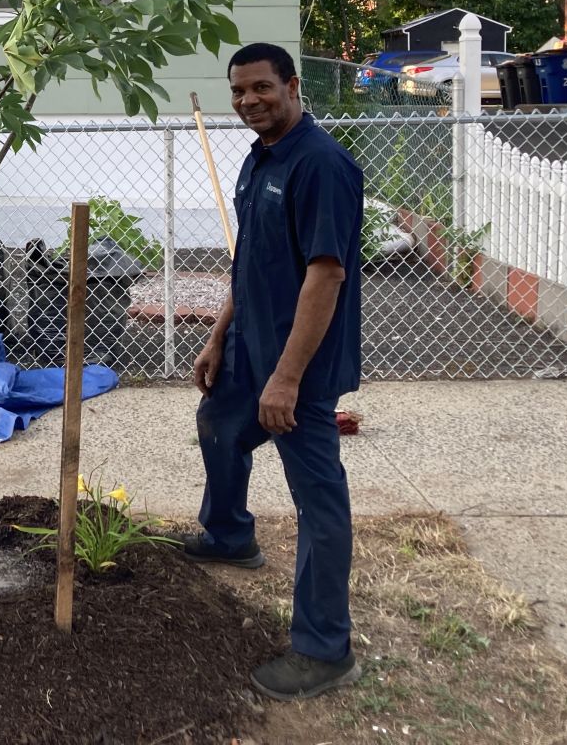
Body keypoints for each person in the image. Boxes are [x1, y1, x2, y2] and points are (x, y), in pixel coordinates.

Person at [181, 42, 364, 701]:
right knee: (218, 424)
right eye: (238, 91)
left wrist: (286, 379)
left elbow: (326, 275)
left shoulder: (320, 164)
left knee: (318, 502)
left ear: (291, 85)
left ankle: (325, 649)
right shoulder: (261, 160)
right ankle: (229, 536)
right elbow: (249, 259)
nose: (248, 100)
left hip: (301, 367)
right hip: (251, 349)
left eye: (261, 87)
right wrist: (218, 337)